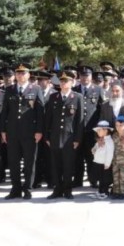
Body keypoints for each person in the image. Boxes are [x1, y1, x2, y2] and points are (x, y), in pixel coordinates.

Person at [1, 63, 45, 200]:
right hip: (12, 132)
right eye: (18, 73)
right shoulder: (9, 89)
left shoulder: (36, 89)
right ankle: (15, 189)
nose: (20, 75)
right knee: (13, 162)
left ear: (28, 75)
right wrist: (3, 130)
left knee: (29, 162)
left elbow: (40, 112)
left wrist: (39, 130)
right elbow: (4, 111)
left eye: (23, 73)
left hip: (30, 132)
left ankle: (27, 188)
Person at [44, 70, 83, 200]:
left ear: (72, 83)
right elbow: (48, 118)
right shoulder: (53, 97)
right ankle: (57, 189)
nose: (63, 83)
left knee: (68, 165)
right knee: (55, 165)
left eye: (66, 81)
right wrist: (47, 136)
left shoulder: (77, 97)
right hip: (55, 137)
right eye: (61, 81)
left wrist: (77, 139)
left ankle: (67, 190)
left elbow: (79, 120)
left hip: (69, 138)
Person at [72, 66, 105, 188]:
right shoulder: (74, 90)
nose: (85, 78)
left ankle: (93, 179)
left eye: (87, 75)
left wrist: (101, 129)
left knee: (92, 155)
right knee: (77, 156)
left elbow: (102, 110)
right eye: (82, 75)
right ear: (79, 76)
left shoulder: (98, 90)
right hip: (77, 129)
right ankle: (77, 180)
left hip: (92, 130)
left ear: (91, 77)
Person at [90, 120, 114, 200]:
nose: (97, 132)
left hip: (104, 164)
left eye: (99, 130)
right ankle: (100, 191)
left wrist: (107, 163)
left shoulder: (109, 141)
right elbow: (94, 148)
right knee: (100, 179)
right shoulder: (100, 140)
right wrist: (94, 149)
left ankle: (105, 192)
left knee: (105, 180)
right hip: (98, 162)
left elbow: (110, 153)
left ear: (106, 130)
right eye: (97, 130)